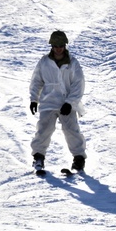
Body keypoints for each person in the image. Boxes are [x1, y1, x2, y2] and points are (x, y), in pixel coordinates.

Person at [29, 30, 86, 174]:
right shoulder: (44, 62)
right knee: (43, 129)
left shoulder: (73, 63)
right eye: (55, 45)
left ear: (65, 45)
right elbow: (37, 81)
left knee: (71, 130)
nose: (58, 48)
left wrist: (70, 102)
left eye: (61, 45)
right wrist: (34, 99)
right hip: (48, 101)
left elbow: (78, 84)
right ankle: (38, 157)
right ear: (51, 46)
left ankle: (79, 159)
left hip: (66, 104)